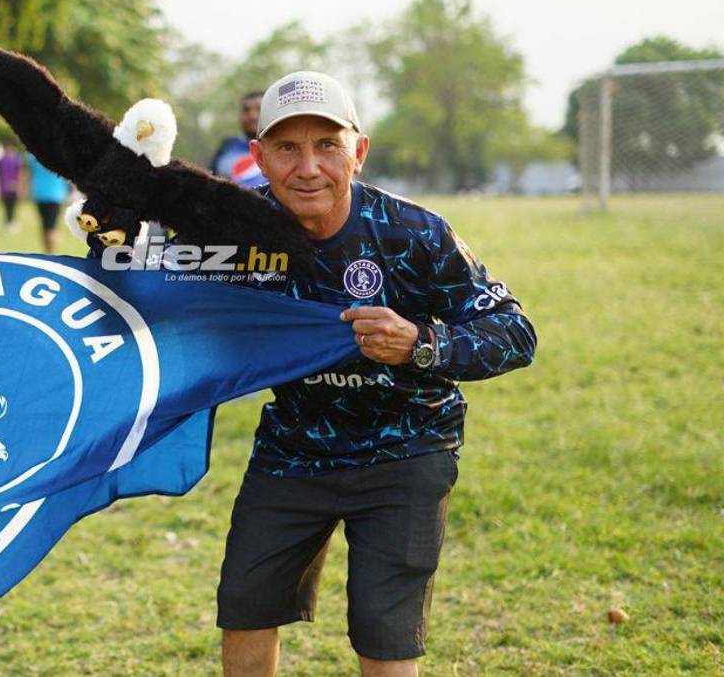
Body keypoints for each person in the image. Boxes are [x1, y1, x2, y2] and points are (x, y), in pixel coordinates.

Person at [217, 71, 537, 677]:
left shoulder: (416, 234)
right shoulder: (234, 232)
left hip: (406, 450)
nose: (308, 167)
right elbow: (154, 293)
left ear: (358, 152)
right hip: (293, 450)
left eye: (327, 145)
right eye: (287, 148)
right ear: (258, 156)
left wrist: (421, 343)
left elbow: (516, 334)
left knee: (384, 627)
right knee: (246, 604)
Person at [210, 91, 265, 188]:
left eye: (259, 109)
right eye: (246, 110)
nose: (252, 116)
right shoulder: (227, 147)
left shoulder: (283, 147)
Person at [25, 153, 69, 254]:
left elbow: (28, 174)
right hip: (56, 195)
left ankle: (47, 252)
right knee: (52, 227)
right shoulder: (59, 154)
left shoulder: (32, 155)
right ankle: (52, 253)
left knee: (45, 226)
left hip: (39, 194)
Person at [0, 140, 24, 233]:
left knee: (13, 205)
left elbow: (20, 173)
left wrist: (19, 186)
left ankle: (12, 222)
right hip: (4, 187)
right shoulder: (1, 160)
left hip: (13, 186)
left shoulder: (16, 160)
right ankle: (9, 223)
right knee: (6, 206)